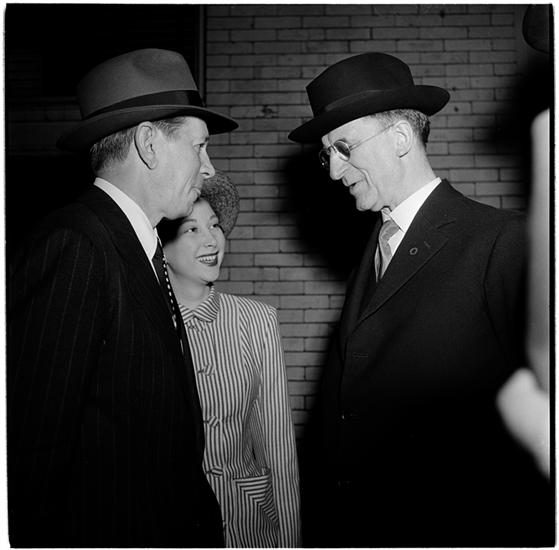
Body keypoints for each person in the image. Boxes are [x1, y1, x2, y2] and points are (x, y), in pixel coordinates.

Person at [288, 52, 553, 547]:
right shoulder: (370, 259)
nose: (334, 171)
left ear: (400, 138)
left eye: (343, 147)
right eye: (327, 155)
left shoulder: (502, 242)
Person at [7, 48, 238, 547]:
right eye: (199, 147)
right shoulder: (76, 245)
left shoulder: (137, 246)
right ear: (149, 144)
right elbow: (32, 458)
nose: (209, 168)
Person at [159, 171, 301, 548]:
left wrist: (290, 541)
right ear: (160, 246)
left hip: (250, 526)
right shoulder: (141, 325)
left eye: (215, 225)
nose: (212, 240)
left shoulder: (257, 321)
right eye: (192, 229)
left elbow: (278, 450)